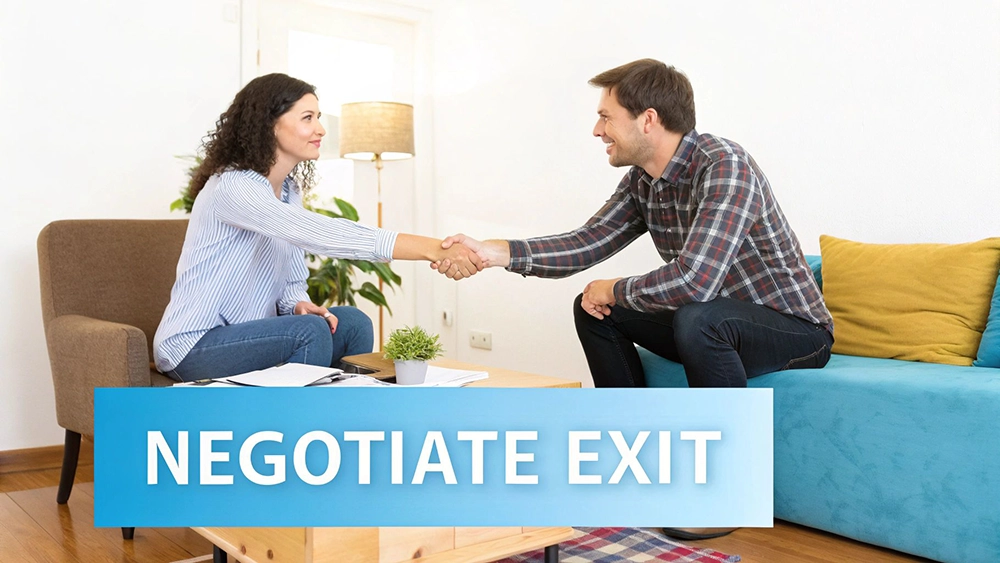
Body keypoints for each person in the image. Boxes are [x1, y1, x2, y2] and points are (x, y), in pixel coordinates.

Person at [434, 61, 833, 538]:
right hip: (714, 323)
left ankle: (727, 494)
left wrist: (617, 286)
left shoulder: (726, 165)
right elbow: (587, 241)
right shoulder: (644, 181)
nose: (597, 130)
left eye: (606, 117)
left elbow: (696, 281)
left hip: (794, 330)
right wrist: (493, 252)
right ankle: (632, 471)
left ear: (648, 119)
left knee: (697, 317)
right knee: (596, 310)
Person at [154, 73, 482, 382]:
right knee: (308, 332)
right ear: (270, 125)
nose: (321, 129)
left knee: (353, 323)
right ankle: (304, 418)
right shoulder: (234, 187)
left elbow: (292, 279)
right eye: (308, 118)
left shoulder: (288, 191)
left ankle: (343, 408)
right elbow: (320, 233)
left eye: (318, 117)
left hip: (249, 335)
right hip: (193, 346)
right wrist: (432, 249)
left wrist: (297, 303)